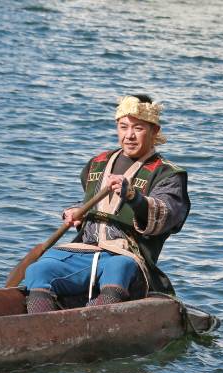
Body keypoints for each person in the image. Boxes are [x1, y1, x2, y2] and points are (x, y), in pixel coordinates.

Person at [22, 94, 190, 313]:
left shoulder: (167, 174)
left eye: (138, 128)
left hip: (127, 258)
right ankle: (42, 324)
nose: (129, 135)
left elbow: (166, 215)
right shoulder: (98, 163)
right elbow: (93, 203)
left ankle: (91, 321)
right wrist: (76, 211)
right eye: (123, 127)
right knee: (38, 270)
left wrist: (133, 197)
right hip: (84, 251)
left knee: (118, 269)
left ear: (154, 131)